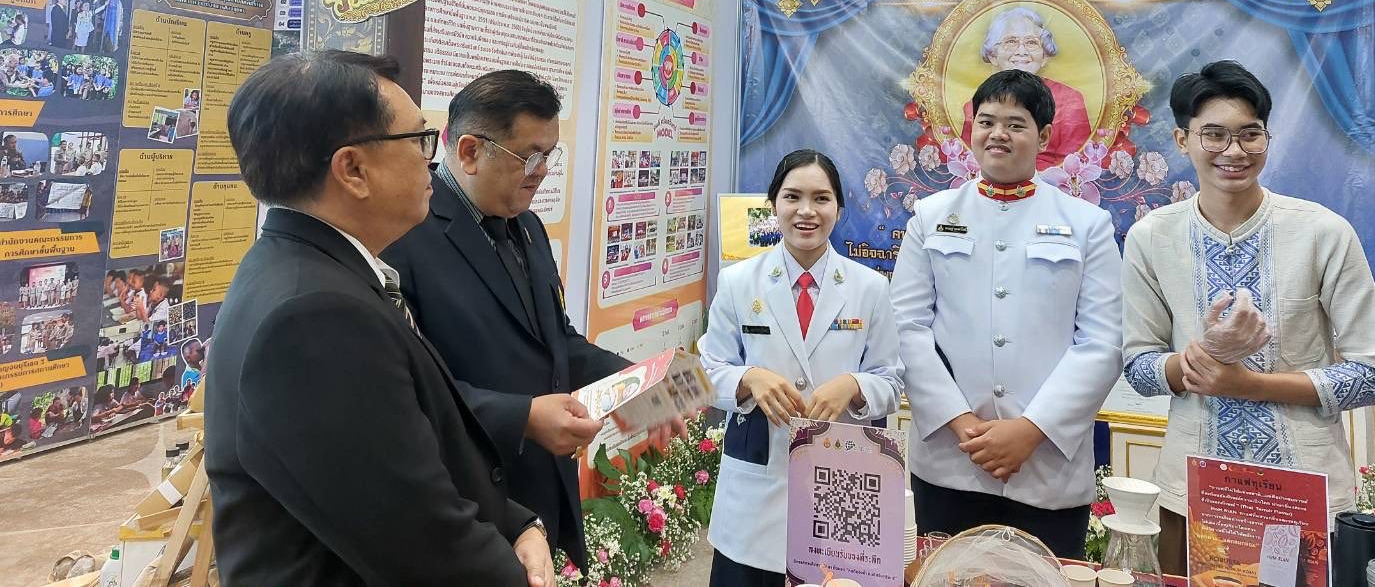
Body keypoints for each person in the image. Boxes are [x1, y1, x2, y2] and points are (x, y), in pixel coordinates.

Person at [207, 50, 554, 586]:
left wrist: (516, 522)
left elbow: (401, 462)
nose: (430, 161)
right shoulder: (312, 319)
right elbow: (422, 545)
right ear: (352, 170)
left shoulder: (316, 273)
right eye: (418, 140)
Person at [385, 69, 679, 574]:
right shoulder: (406, 237)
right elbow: (409, 391)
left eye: (550, 155)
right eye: (530, 156)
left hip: (545, 493)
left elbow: (556, 342)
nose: (542, 171)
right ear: (470, 151)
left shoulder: (528, 225)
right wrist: (521, 416)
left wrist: (638, 382)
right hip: (469, 502)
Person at [1121, 60, 1375, 573]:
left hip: (1303, 491)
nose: (1234, 151)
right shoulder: (1151, 237)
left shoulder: (1322, 232)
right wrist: (1202, 359)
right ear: (1182, 140)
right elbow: (1139, 367)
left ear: (1267, 138)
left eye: (1250, 134)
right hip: (1193, 490)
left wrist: (1249, 385)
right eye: (1214, 135)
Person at [891, 69, 1122, 558]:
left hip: (1047, 466)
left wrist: (1029, 430)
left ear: (1044, 136)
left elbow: (1102, 344)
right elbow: (907, 329)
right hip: (951, 460)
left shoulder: (1088, 224)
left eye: (1015, 124)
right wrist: (960, 423)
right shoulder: (930, 216)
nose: (998, 134)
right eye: (987, 121)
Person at [698, 149, 903, 586]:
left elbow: (891, 382)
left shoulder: (869, 288)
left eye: (821, 198)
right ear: (773, 205)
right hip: (757, 487)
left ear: (839, 208)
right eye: (792, 197)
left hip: (840, 488)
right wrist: (747, 378)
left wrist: (853, 385)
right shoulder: (738, 282)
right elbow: (708, 372)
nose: (806, 211)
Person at [962, 7, 1093, 169]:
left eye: (1031, 43)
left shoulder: (1070, 100)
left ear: (1044, 56)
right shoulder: (973, 107)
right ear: (993, 55)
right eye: (1011, 42)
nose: (1021, 51)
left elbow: (1076, 164)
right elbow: (971, 163)